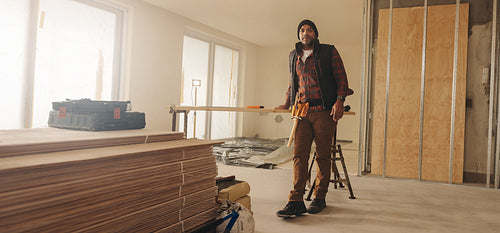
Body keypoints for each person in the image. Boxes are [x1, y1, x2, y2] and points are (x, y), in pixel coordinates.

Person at [275, 19, 352, 217]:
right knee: (299, 155)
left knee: (323, 155)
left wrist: (339, 100)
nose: (305, 32)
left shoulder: (328, 51)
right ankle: (296, 199)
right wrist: (286, 103)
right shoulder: (294, 56)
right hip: (301, 112)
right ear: (298, 34)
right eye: (302, 30)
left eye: (309, 30)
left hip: (324, 111)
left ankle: (319, 197)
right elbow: (293, 83)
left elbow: (341, 79)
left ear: (315, 34)